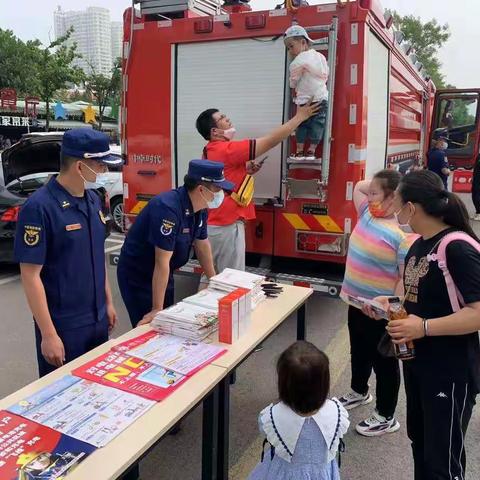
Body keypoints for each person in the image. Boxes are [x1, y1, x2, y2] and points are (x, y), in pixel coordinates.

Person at [376, 170, 480, 479]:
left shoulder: (456, 247)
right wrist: (391, 306)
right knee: (420, 444)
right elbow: (417, 297)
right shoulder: (419, 244)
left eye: (396, 200)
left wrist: (423, 328)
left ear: (412, 207)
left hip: (449, 369)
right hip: (419, 365)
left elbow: (477, 312)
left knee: (442, 460)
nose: (392, 207)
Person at [14, 128, 122, 377]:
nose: (105, 172)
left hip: (97, 317)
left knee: (97, 390)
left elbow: (97, 254)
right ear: (80, 166)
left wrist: (108, 301)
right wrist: (49, 334)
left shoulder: (93, 199)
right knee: (61, 397)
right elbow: (30, 276)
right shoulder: (39, 207)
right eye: (101, 165)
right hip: (64, 324)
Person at [195, 103, 319, 274]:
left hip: (214, 224)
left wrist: (245, 170)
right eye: (222, 118)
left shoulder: (210, 150)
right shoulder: (228, 149)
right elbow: (270, 140)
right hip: (227, 226)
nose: (227, 119)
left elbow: (221, 175)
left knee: (210, 276)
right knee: (230, 280)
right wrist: (299, 118)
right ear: (214, 132)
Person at [338, 170, 412, 436]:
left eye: (376, 194)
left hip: (380, 314)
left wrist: (386, 308)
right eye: (369, 195)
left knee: (385, 362)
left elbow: (402, 281)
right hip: (356, 304)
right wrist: (380, 185)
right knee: (358, 350)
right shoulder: (366, 215)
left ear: (393, 198)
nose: (369, 198)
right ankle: (359, 391)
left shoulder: (400, 237)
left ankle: (386, 414)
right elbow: (358, 185)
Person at [117, 159, 232, 327]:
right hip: (139, 276)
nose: (221, 194)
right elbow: (161, 260)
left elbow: (202, 244)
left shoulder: (200, 208)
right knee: (152, 324)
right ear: (201, 189)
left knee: (168, 321)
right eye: (218, 189)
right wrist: (157, 308)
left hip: (163, 272)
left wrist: (213, 279)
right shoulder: (168, 209)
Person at [248, 341, 349, 480]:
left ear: (283, 385)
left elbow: (264, 431)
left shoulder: (272, 416)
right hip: (322, 473)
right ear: (324, 384)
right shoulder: (337, 412)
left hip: (282, 473)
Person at [284, 24, 329, 161]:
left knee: (301, 125)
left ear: (303, 42)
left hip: (303, 100)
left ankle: (299, 151)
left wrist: (292, 84)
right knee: (318, 124)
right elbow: (326, 72)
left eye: (291, 46)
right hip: (320, 97)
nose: (290, 51)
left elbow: (293, 80)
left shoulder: (298, 61)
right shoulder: (320, 57)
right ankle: (311, 151)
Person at [471, 154, 480, 221]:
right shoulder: (479, 155)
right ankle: (477, 212)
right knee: (474, 195)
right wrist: (473, 177)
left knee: (478, 196)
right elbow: (476, 167)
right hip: (476, 178)